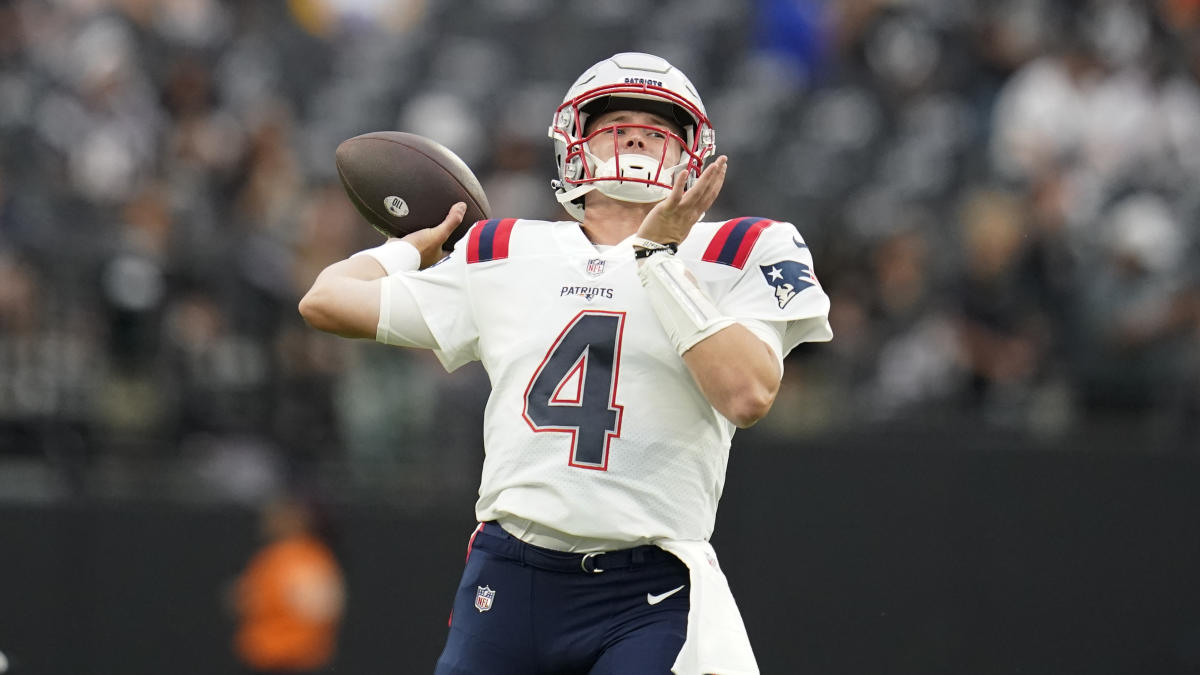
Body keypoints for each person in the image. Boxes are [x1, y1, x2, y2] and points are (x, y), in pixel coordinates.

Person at [299, 52, 832, 675]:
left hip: (649, 586)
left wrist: (657, 257)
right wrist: (403, 250)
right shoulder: (505, 249)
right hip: (511, 571)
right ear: (572, 143)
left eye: (657, 122)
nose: (636, 133)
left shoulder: (747, 246)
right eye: (616, 120)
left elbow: (747, 393)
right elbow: (325, 300)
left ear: (695, 150)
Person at [231, 496, 346, 675]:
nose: (270, 517)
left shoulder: (306, 559)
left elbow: (321, 610)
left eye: (280, 513)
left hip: (290, 659)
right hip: (272, 657)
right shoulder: (272, 556)